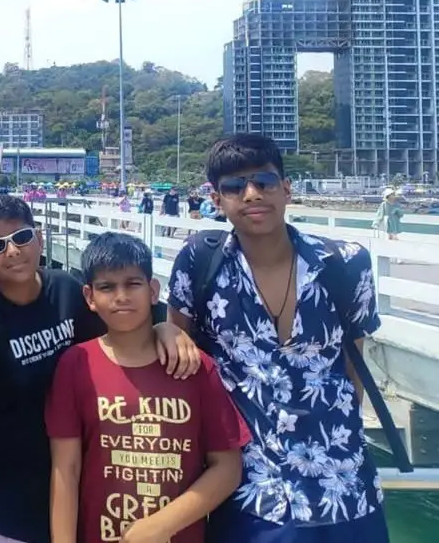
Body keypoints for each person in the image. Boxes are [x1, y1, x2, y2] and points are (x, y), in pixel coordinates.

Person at [0, 195, 202, 543]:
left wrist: (162, 328)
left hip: (73, 496)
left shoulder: (66, 290)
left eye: (21, 238)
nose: (13, 251)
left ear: (40, 239)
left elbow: (122, 331)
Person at [167, 133, 389, 542]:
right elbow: (179, 350)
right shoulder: (200, 259)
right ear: (217, 200)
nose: (252, 194)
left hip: (345, 487)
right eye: (235, 186)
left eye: (264, 182)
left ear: (286, 189)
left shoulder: (346, 263)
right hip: (250, 493)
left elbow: (353, 362)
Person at [46, 232, 249, 543]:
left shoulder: (194, 365)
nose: (121, 296)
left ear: (154, 290)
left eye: (133, 284)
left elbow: (227, 467)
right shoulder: (76, 364)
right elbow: (66, 469)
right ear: (89, 296)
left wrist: (161, 525)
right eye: (107, 287)